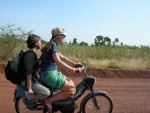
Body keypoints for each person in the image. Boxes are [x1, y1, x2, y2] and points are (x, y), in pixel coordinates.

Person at [40, 27, 83, 112]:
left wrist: (74, 63)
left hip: (47, 74)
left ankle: (58, 103)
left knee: (71, 83)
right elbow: (59, 62)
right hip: (50, 75)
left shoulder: (52, 44)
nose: (64, 38)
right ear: (59, 36)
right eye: (64, 36)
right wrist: (73, 70)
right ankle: (48, 101)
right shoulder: (53, 45)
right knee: (71, 89)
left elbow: (62, 57)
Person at [21, 34, 50, 101]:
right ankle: (30, 98)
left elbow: (34, 69)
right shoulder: (30, 55)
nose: (41, 43)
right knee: (46, 93)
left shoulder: (32, 54)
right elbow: (28, 73)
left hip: (32, 78)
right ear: (36, 43)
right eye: (40, 41)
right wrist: (29, 88)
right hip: (25, 79)